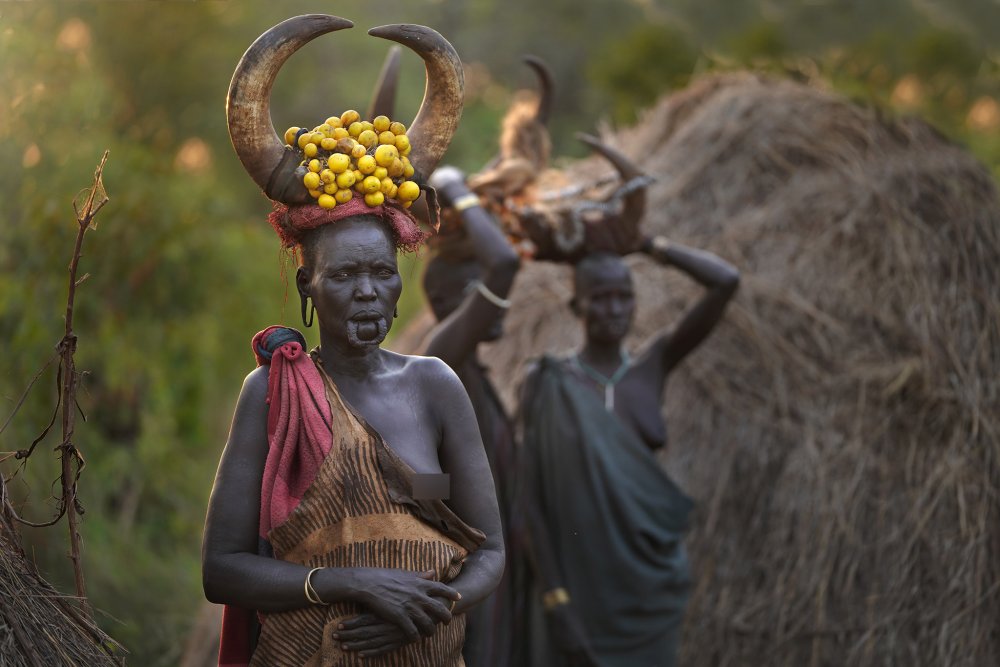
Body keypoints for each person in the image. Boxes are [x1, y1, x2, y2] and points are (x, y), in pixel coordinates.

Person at [202, 15, 503, 666]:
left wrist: (427, 609)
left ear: (400, 284)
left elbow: (491, 553)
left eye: (381, 273)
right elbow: (220, 569)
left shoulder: (435, 387)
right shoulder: (273, 394)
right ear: (308, 284)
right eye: (343, 275)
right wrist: (344, 583)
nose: (367, 291)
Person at [518, 237, 740, 667]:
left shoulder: (650, 367)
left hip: (649, 595)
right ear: (576, 307)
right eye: (600, 298)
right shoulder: (547, 382)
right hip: (578, 594)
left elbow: (726, 281)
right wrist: (555, 597)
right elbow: (528, 500)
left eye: (625, 297)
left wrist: (648, 245)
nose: (615, 309)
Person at [420, 166, 523, 667]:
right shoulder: (443, 357)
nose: (493, 300)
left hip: (485, 575)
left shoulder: (474, 374)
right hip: (455, 577)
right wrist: (455, 186)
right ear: (441, 302)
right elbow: (504, 261)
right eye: (474, 289)